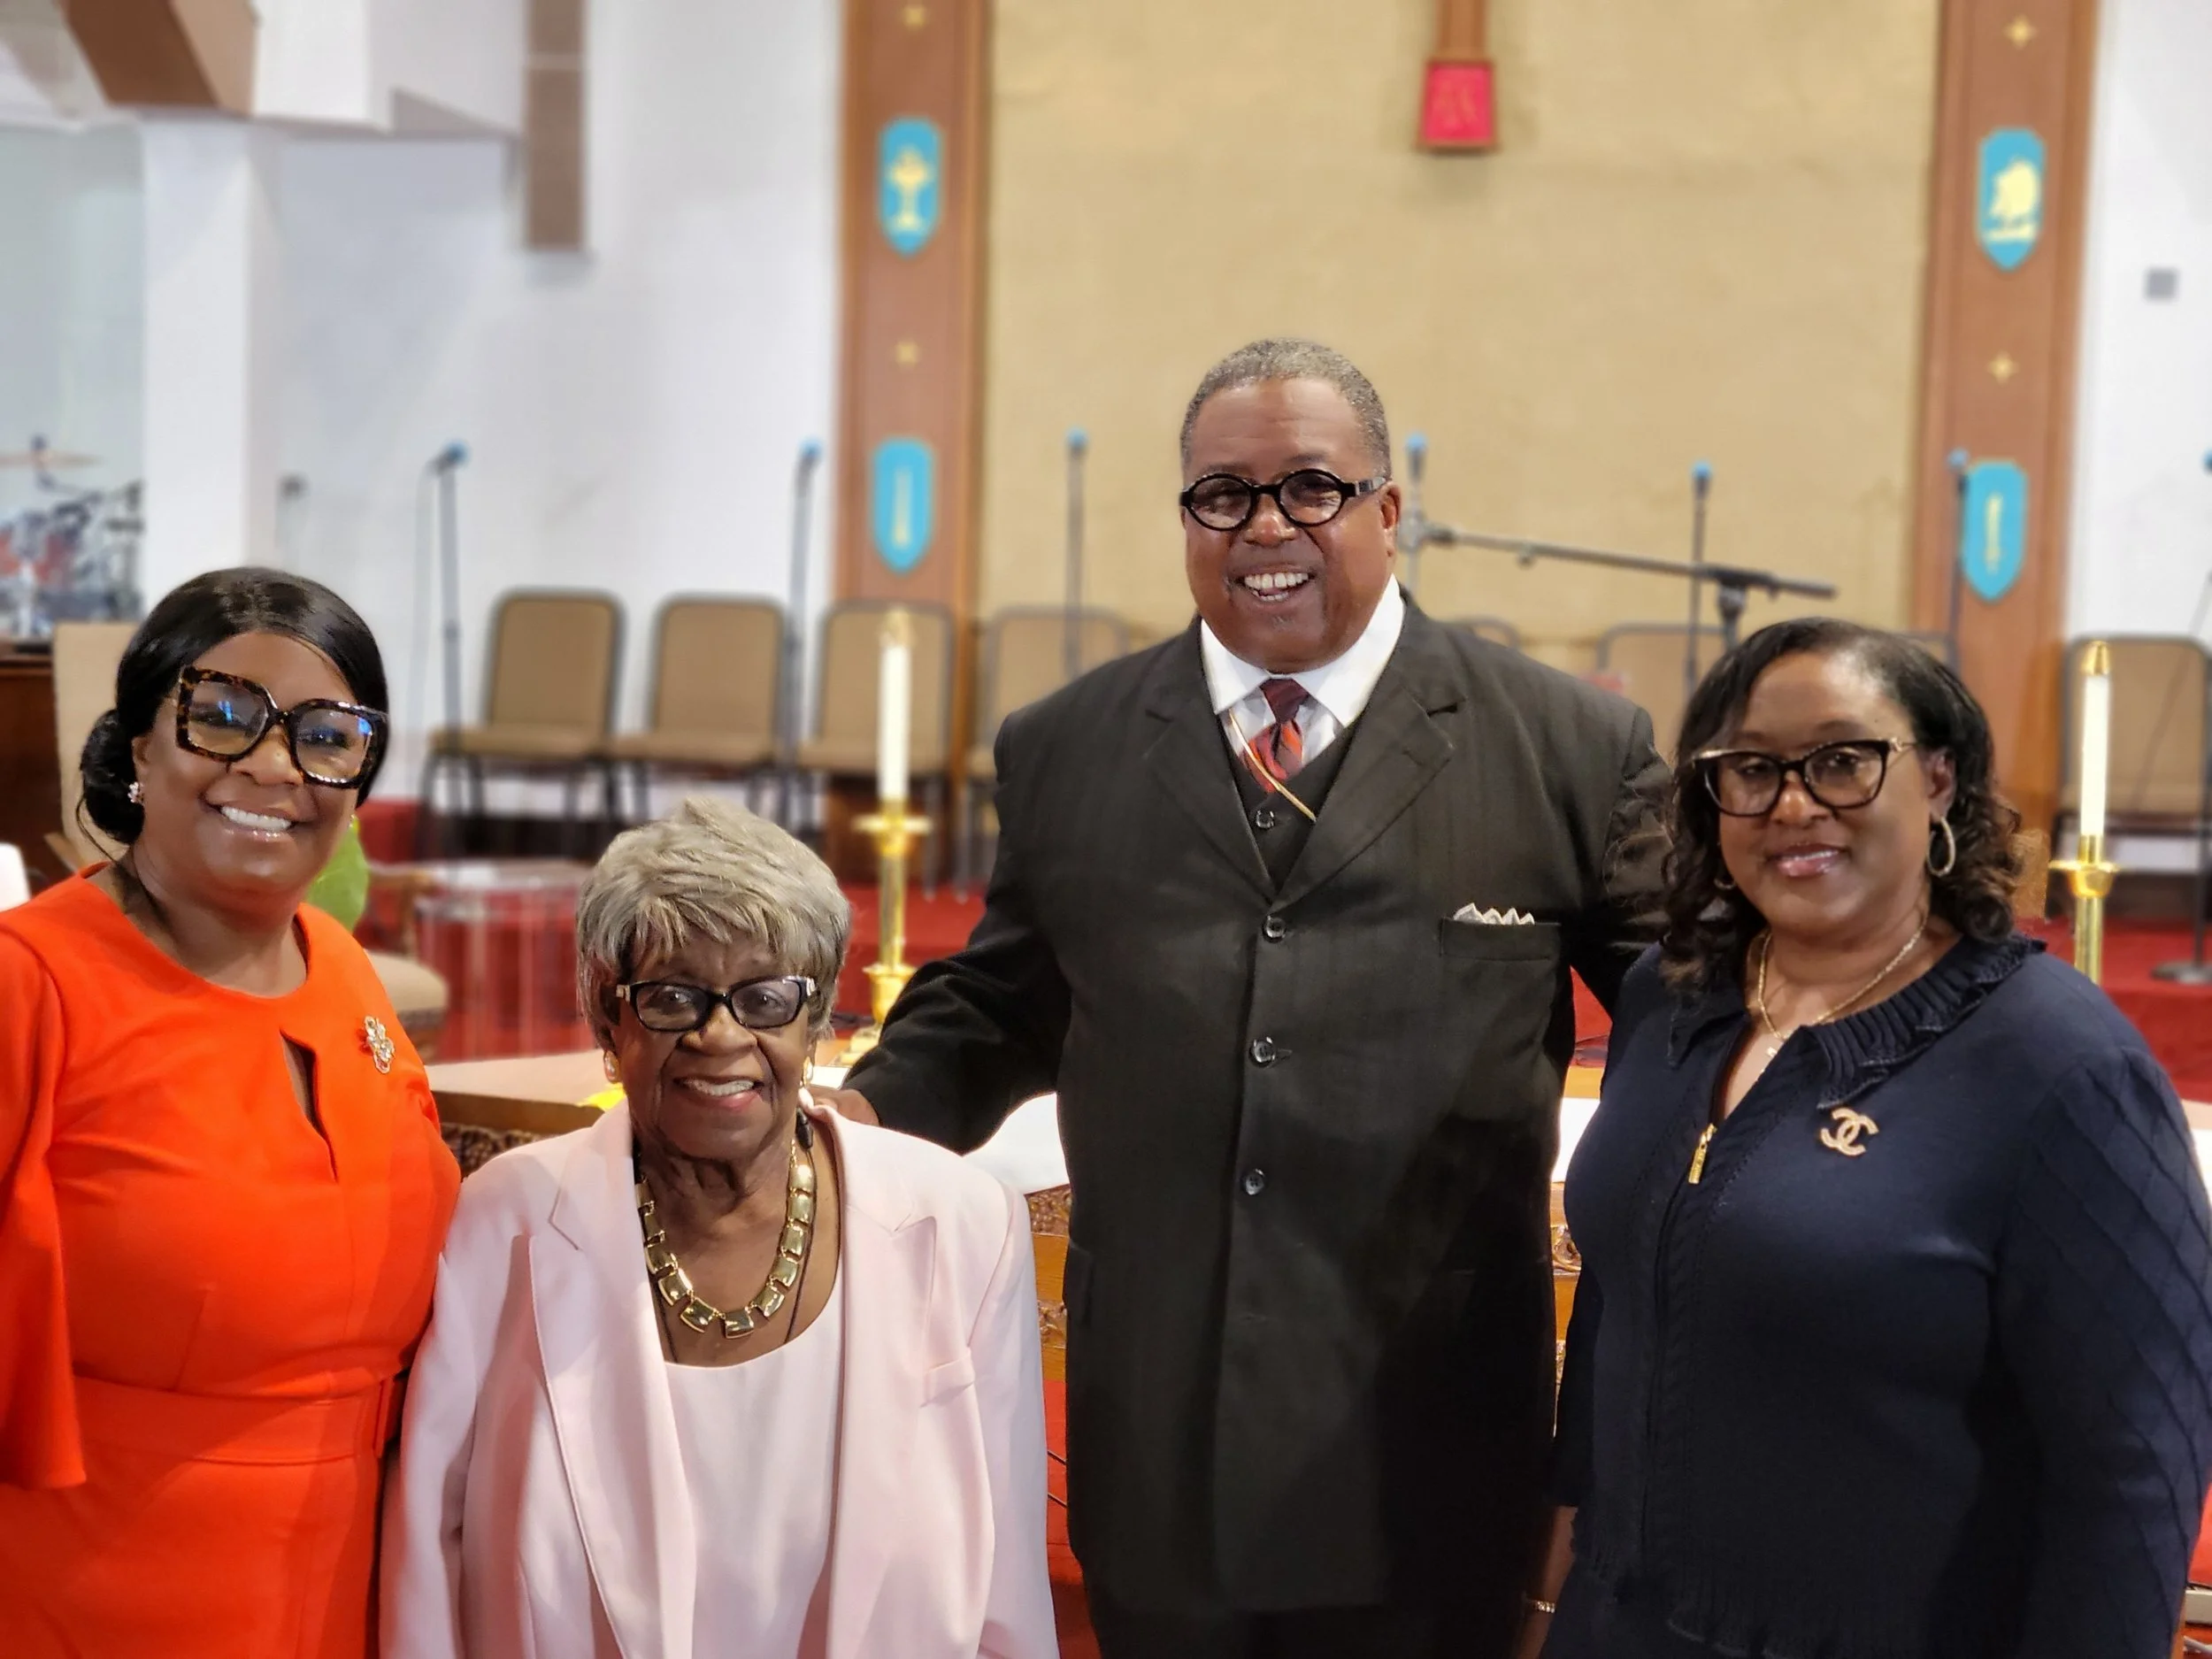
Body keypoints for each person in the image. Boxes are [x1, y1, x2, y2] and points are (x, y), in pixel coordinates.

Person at [818, 338, 1670, 1656]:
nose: (1266, 526)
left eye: (1312, 488)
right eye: (1224, 494)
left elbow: (1687, 1021)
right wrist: (845, 1135)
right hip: (1160, 1430)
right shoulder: (1070, 744)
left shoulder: (1565, 746)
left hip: (1427, 1438)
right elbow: (1002, 1005)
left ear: (1389, 511)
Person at [1535, 619, 2212, 1658]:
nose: (1795, 804)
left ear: (1937, 779)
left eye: (1844, 761)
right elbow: (1624, 1292)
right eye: (1750, 770)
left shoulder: (2059, 1067)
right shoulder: (1668, 1001)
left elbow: (2134, 1468)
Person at [380, 797, 1056, 1659]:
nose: (719, 1035)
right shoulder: (507, 1222)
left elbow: (1007, 1598)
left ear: (815, 1020)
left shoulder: (960, 1224)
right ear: (608, 1014)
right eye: (672, 997)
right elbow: (428, 1569)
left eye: (766, 997)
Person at [0, 567, 459, 1657]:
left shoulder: (348, 975)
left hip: (348, 1584)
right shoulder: (31, 985)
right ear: (137, 746)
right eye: (220, 716)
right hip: (92, 1593)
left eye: (327, 735)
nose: (271, 766)